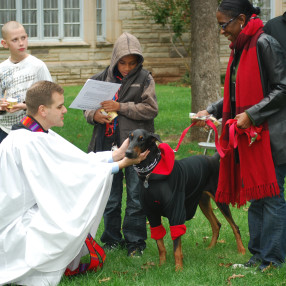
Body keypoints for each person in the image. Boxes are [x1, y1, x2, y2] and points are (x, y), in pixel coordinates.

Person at [0, 80, 148, 286]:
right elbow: (66, 178)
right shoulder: (27, 143)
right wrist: (121, 164)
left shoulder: (37, 133)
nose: (65, 110)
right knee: (62, 223)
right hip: (14, 222)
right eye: (59, 106)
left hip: (28, 207)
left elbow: (77, 162)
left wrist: (116, 155)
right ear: (42, 110)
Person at [196, 0, 286, 272]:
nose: (222, 31)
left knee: (271, 197)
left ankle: (272, 259)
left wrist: (252, 115)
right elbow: (236, 93)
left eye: (224, 25)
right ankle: (258, 256)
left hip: (273, 135)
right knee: (257, 197)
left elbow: (283, 87)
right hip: (253, 137)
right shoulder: (241, 48)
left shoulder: (264, 44)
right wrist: (212, 110)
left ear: (242, 20)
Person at [84, 32, 158, 257]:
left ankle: (135, 242)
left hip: (136, 146)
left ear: (139, 62)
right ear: (115, 59)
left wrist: (121, 106)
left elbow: (151, 108)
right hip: (106, 144)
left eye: (132, 63)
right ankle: (111, 239)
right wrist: (94, 115)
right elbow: (87, 108)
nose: (126, 68)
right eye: (122, 62)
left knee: (136, 195)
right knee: (110, 196)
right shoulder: (100, 78)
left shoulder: (145, 78)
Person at [0, 21, 52, 143]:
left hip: (31, 128)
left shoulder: (38, 66)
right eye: (15, 40)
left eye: (23, 38)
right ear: (4, 43)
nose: (21, 43)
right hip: (4, 129)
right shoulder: (1, 69)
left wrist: (24, 106)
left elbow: (50, 99)